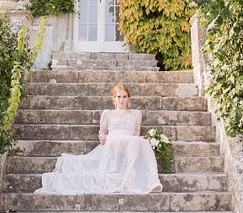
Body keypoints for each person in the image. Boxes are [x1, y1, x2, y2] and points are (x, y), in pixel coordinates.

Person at [35, 83, 163, 194]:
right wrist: (102, 137)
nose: (122, 100)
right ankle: (129, 183)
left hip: (129, 143)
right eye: (119, 96)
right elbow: (102, 132)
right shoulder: (108, 114)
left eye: (124, 96)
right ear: (114, 99)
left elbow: (135, 132)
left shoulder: (136, 114)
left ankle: (152, 181)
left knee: (142, 142)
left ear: (128, 98)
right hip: (112, 142)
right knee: (138, 141)